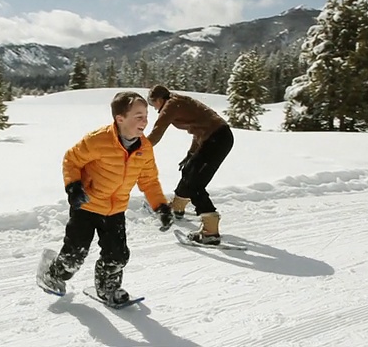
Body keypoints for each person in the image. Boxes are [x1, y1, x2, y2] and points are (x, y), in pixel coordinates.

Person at [38, 91, 173, 305]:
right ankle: (53, 273)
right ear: (120, 119)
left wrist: (161, 207)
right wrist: (73, 187)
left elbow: (149, 181)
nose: (145, 120)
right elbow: (71, 160)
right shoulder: (98, 140)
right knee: (74, 256)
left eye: (146, 115)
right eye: (138, 116)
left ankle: (107, 286)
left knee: (118, 256)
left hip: (115, 210)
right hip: (87, 206)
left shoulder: (144, 149)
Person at [146, 85, 234, 246]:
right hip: (213, 138)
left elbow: (158, 130)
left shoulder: (171, 105)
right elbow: (199, 129)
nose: (154, 108)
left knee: (195, 185)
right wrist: (191, 154)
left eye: (153, 104)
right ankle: (177, 207)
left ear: (159, 100)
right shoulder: (178, 101)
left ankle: (210, 232)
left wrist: (138, 148)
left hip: (218, 139)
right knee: (189, 169)